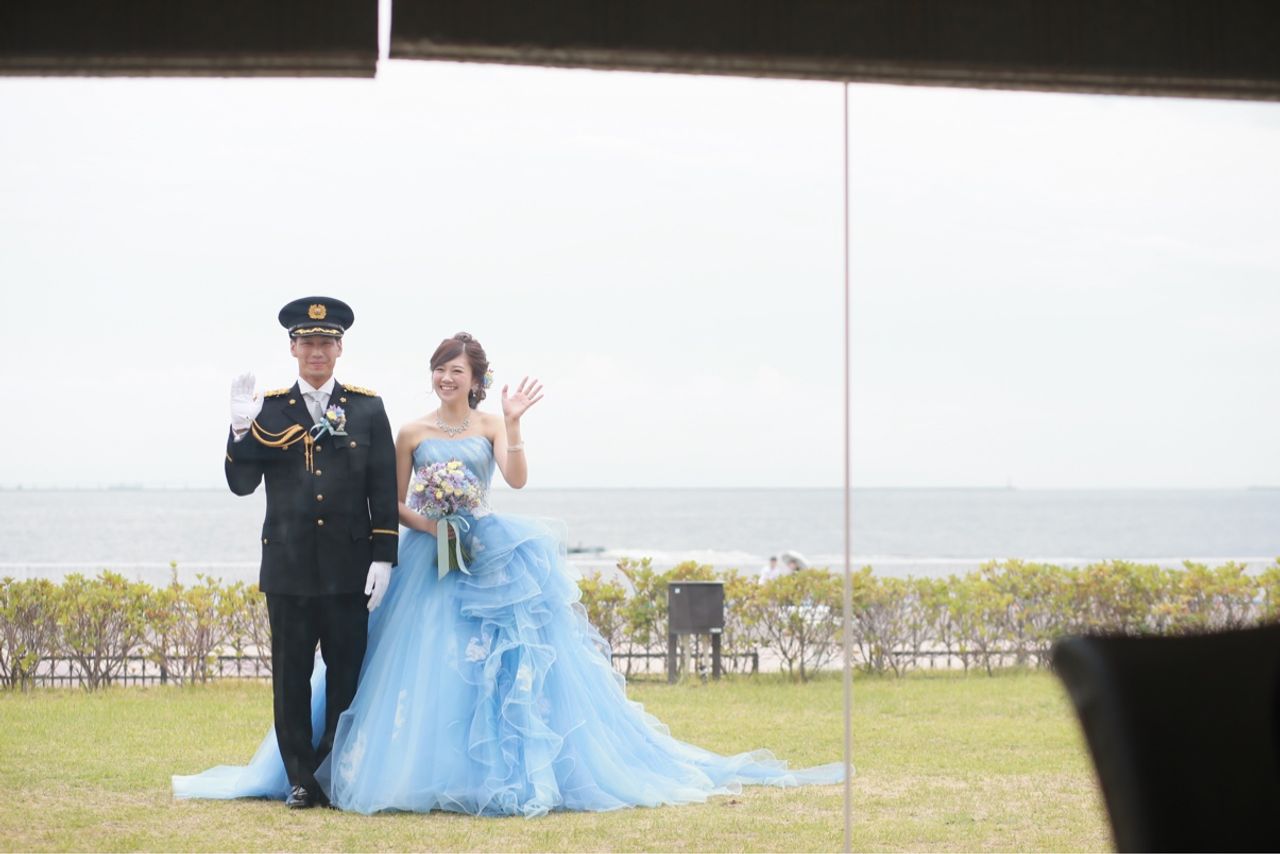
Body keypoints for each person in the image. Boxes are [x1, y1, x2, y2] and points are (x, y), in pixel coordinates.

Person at [175, 331, 844, 815]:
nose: (446, 379)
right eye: (439, 370)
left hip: (487, 551)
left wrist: (515, 426)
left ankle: (480, 772)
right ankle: (318, 772)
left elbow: (515, 480)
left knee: (492, 666)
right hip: (417, 557)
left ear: (475, 378)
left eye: (456, 371)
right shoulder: (406, 430)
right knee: (408, 667)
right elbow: (392, 500)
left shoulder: (478, 421)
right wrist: (430, 528)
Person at [173, 297, 398, 809]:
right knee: (290, 679)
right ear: (293, 348)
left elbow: (382, 488)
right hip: (288, 568)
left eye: (326, 342)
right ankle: (300, 779)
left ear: (340, 349)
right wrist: (239, 430)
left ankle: (331, 772)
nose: (317, 351)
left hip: (349, 567)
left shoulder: (367, 408)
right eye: (308, 342)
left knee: (347, 677)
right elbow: (241, 484)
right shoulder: (269, 409)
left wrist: (383, 556)